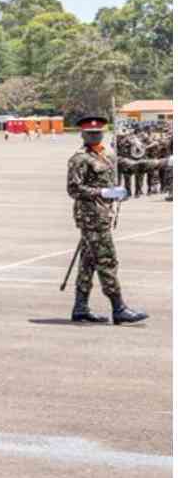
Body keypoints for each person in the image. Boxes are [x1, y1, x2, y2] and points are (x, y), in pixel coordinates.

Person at [66, 115, 168, 324]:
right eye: (90, 133)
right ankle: (118, 307)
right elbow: (74, 189)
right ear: (83, 134)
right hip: (91, 217)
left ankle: (80, 307)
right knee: (107, 260)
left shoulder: (109, 154)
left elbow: (130, 166)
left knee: (88, 262)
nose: (94, 136)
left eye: (98, 133)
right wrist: (104, 192)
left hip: (103, 216)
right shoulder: (79, 158)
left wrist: (164, 162)